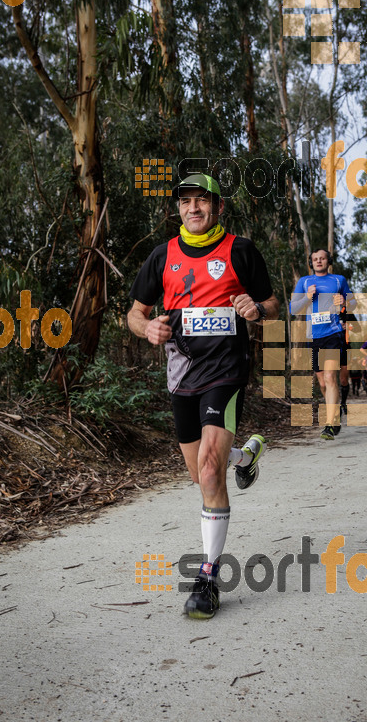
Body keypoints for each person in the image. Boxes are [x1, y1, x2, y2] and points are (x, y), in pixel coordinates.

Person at [127, 173, 279, 619]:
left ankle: (209, 576)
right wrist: (148, 327)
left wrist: (255, 308)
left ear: (218, 207)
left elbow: (273, 306)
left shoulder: (240, 251)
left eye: (202, 201)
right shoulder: (162, 256)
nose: (193, 208)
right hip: (182, 373)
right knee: (200, 475)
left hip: (225, 371)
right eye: (186, 202)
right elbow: (134, 314)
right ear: (178, 209)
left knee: (210, 470)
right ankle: (245, 457)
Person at [290, 248, 354, 441]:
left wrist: (344, 301)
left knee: (330, 377)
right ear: (311, 263)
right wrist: (307, 297)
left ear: (329, 261)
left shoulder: (338, 280)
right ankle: (334, 414)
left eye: (322, 258)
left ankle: (330, 423)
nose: (319, 261)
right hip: (313, 336)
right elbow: (293, 309)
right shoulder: (305, 282)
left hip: (333, 334)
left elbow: (353, 305)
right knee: (323, 383)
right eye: (315, 259)